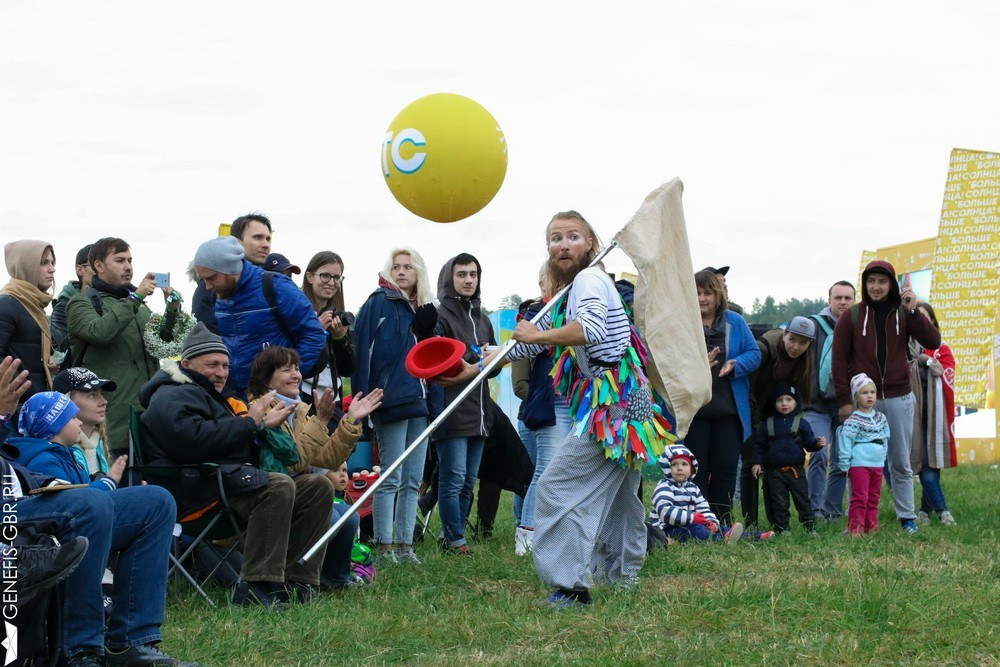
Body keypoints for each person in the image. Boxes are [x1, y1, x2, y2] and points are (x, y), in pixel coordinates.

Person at [498, 210, 673, 606]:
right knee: (620, 494)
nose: (562, 244)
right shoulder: (567, 292)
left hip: (617, 404)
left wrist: (537, 333)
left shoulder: (589, 279)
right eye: (555, 238)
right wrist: (473, 366)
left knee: (557, 485)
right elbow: (526, 346)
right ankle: (622, 576)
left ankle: (572, 586)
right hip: (626, 404)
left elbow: (588, 330)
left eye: (572, 236)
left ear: (590, 243)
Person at [0, 357, 196, 667]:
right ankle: (78, 649)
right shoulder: (45, 448)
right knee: (92, 502)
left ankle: (130, 643)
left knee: (156, 501)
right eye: (91, 395)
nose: (102, 402)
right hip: (11, 509)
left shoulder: (80, 449)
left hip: (31, 495)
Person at [138, 323, 334, 609]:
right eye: (212, 365)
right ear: (187, 363)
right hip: (197, 490)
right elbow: (193, 442)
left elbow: (230, 440)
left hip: (226, 481)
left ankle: (297, 581)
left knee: (317, 485)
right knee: (276, 485)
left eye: (225, 365)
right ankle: (255, 588)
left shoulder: (208, 395)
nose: (220, 372)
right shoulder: (171, 394)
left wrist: (261, 428)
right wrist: (250, 423)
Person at [245, 345, 383, 590]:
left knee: (346, 518)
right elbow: (294, 460)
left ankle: (333, 579)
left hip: (297, 490)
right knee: (334, 516)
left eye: (297, 368)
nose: (296, 375)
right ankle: (302, 579)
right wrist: (320, 421)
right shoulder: (260, 409)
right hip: (272, 497)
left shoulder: (299, 411)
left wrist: (351, 420)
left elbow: (327, 458)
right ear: (266, 378)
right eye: (286, 369)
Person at [831, 260, 940, 534]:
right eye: (871, 281)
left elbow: (933, 341)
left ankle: (907, 518)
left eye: (882, 281)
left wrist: (913, 311)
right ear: (865, 284)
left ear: (891, 284)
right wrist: (845, 401)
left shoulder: (904, 314)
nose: (876, 287)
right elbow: (839, 360)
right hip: (863, 403)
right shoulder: (852, 316)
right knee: (858, 462)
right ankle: (855, 519)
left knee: (900, 462)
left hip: (899, 397)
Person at [352, 247, 438, 563]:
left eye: (408, 266)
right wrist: (362, 401)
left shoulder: (426, 309)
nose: (401, 272)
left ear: (419, 272)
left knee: (414, 479)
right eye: (396, 266)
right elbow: (362, 352)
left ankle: (406, 546)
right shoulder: (378, 302)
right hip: (388, 399)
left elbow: (436, 361)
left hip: (421, 400)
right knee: (391, 476)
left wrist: (436, 406)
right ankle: (385, 546)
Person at [66, 237, 182, 455]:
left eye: (130, 260)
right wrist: (135, 297)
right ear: (99, 266)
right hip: (112, 417)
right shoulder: (81, 302)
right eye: (119, 260)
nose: (128, 266)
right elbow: (100, 333)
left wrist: (172, 309)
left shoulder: (138, 305)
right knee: (116, 479)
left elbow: (161, 343)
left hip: (148, 414)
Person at [191, 236, 327, 399]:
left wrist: (288, 378)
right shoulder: (218, 295)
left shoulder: (276, 286)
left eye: (212, 278)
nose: (208, 286)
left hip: (275, 397)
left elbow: (313, 334)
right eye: (203, 279)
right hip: (234, 397)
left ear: (231, 269)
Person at [429, 253, 498, 555]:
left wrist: (490, 358)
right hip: (452, 410)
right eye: (462, 274)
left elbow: (495, 363)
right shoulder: (440, 316)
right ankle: (454, 540)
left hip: (480, 412)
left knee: (469, 480)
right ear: (449, 279)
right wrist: (476, 358)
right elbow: (439, 364)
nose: (469, 280)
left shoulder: (483, 319)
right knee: (453, 478)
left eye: (473, 274)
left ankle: (456, 538)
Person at [688, 270, 760, 524]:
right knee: (696, 470)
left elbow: (754, 353)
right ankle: (700, 523)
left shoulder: (735, 321)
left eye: (707, 293)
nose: (702, 298)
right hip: (696, 411)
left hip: (729, 411)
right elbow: (670, 363)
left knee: (726, 470)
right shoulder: (683, 323)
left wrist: (735, 364)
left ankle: (723, 522)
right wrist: (699, 366)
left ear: (718, 296)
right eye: (696, 292)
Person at [509, 268, 572, 556]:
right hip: (552, 400)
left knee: (567, 472)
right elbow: (518, 354)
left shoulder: (585, 307)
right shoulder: (537, 311)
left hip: (585, 400)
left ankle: (560, 532)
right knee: (544, 470)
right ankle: (528, 534)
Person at [742, 315, 815, 526]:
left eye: (803, 342)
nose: (796, 346)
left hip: (774, 414)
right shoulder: (765, 348)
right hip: (749, 408)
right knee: (751, 464)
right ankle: (750, 522)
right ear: (785, 335)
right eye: (792, 339)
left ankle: (777, 522)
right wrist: (755, 422)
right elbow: (748, 387)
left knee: (772, 467)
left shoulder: (804, 361)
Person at [804, 280, 856, 519]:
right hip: (816, 403)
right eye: (838, 298)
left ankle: (832, 511)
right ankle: (814, 509)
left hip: (847, 404)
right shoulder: (814, 326)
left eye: (848, 298)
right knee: (818, 453)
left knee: (841, 460)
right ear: (829, 301)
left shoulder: (858, 328)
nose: (843, 302)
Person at [749, 383, 825, 533]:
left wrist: (817, 444)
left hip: (796, 471)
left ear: (796, 402)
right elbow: (759, 446)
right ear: (774, 403)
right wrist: (757, 463)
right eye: (780, 400)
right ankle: (782, 528)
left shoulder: (801, 424)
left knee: (803, 500)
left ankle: (810, 527)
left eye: (788, 399)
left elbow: (809, 444)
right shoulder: (768, 424)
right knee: (779, 502)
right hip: (775, 472)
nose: (784, 403)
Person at [651, 444, 763, 543]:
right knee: (696, 530)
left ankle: (753, 536)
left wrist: (711, 522)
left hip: (688, 523)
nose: (680, 468)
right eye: (674, 464)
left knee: (720, 527)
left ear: (691, 469)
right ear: (667, 467)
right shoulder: (664, 486)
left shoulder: (693, 488)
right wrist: (691, 518)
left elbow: (703, 508)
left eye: (684, 464)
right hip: (667, 529)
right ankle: (722, 539)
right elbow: (664, 511)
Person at [909, 302, 957, 526]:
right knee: (925, 465)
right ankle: (939, 511)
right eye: (915, 317)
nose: (920, 322)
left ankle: (928, 512)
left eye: (924, 318)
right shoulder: (905, 347)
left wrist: (926, 361)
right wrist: (920, 361)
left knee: (930, 465)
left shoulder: (941, 349)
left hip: (933, 418)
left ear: (933, 322)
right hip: (911, 417)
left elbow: (945, 373)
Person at [0, 240, 58, 416]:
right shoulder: (7, 304)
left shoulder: (33, 305)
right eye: (43, 263)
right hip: (16, 411)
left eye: (52, 262)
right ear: (25, 266)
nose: (52, 269)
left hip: (32, 407)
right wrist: (30, 390)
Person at [192, 212, 273, 333]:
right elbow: (209, 337)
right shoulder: (211, 286)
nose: (266, 245)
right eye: (257, 237)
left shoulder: (273, 282)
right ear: (237, 242)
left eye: (268, 238)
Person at [301, 251, 356, 407]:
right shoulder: (298, 313)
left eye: (337, 277)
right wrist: (316, 331)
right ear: (310, 277)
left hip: (334, 399)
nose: (331, 282)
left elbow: (347, 369)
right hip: (305, 396)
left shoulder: (337, 315)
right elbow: (297, 362)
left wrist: (340, 340)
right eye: (325, 276)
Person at [838, 373, 889, 536]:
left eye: (872, 393)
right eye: (864, 393)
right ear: (856, 397)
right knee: (860, 497)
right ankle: (855, 529)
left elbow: (885, 437)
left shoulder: (881, 417)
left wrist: (883, 456)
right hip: (859, 465)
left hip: (877, 464)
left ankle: (871, 528)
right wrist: (845, 463)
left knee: (874, 497)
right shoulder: (853, 420)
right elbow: (846, 442)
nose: (869, 396)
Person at [53, 367, 118, 480]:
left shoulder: (99, 444)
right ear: (66, 403)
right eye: (92, 395)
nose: (104, 402)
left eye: (102, 394)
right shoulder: (57, 453)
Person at [50, 243, 95, 357]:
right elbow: (63, 349)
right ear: (80, 269)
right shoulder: (64, 306)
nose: (100, 270)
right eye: (94, 265)